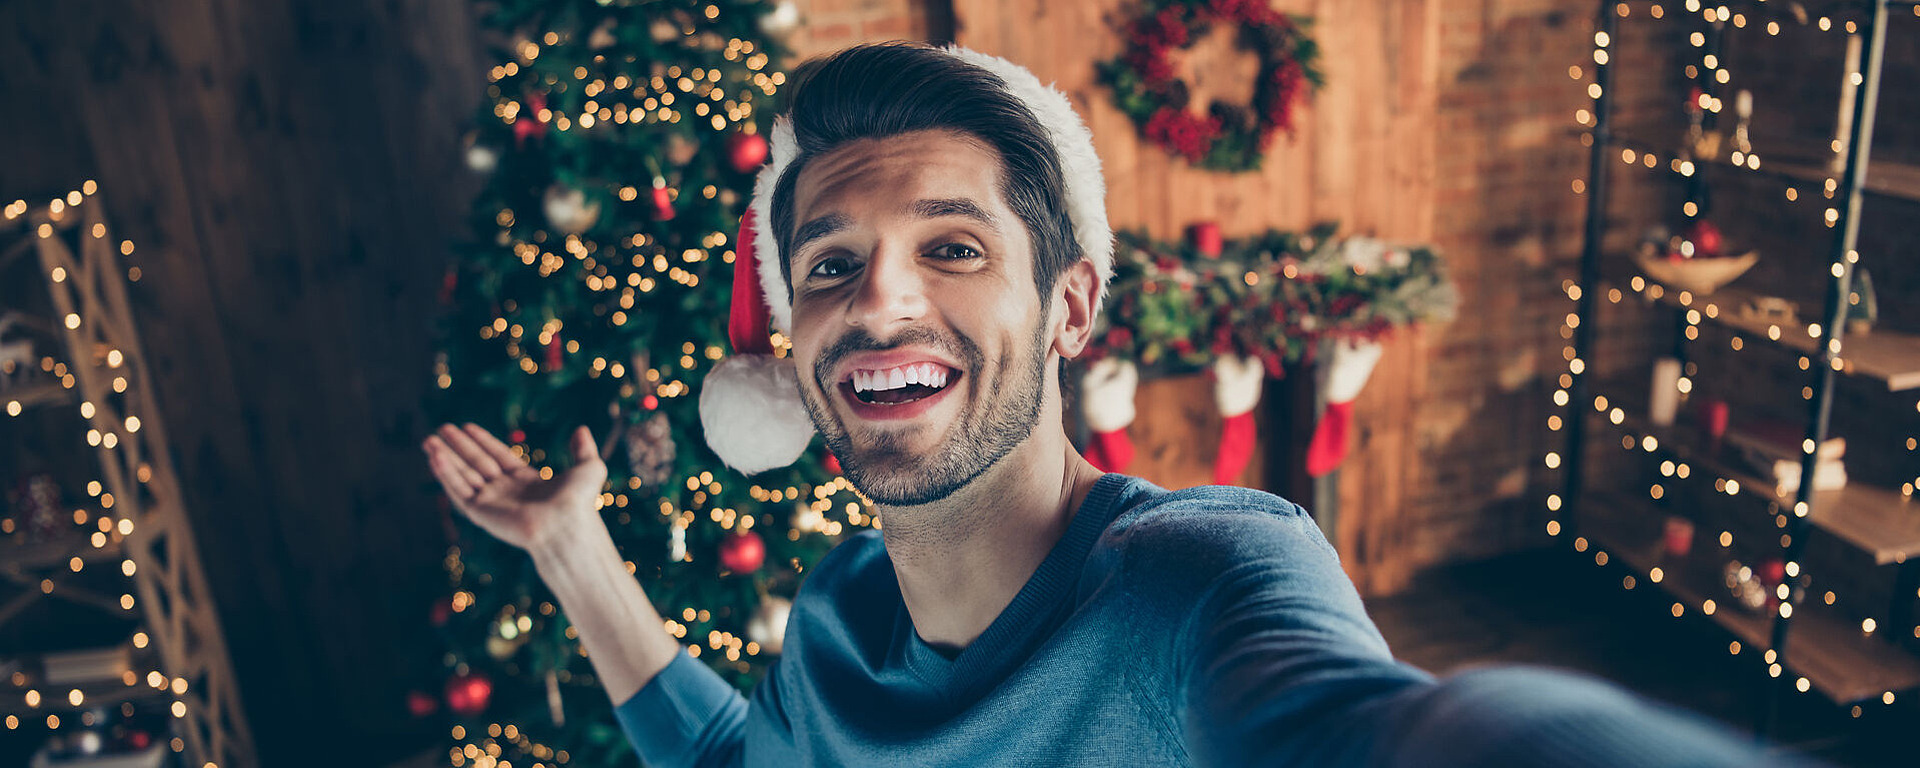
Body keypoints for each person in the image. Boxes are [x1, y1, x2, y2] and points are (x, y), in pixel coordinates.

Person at [423, 42, 1813, 767]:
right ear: (793, 351)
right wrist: (569, 553)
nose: (880, 302)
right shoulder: (838, 616)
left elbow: (1380, 733)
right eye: (831, 267)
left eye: (953, 247)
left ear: (1073, 311)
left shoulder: (1207, 581)